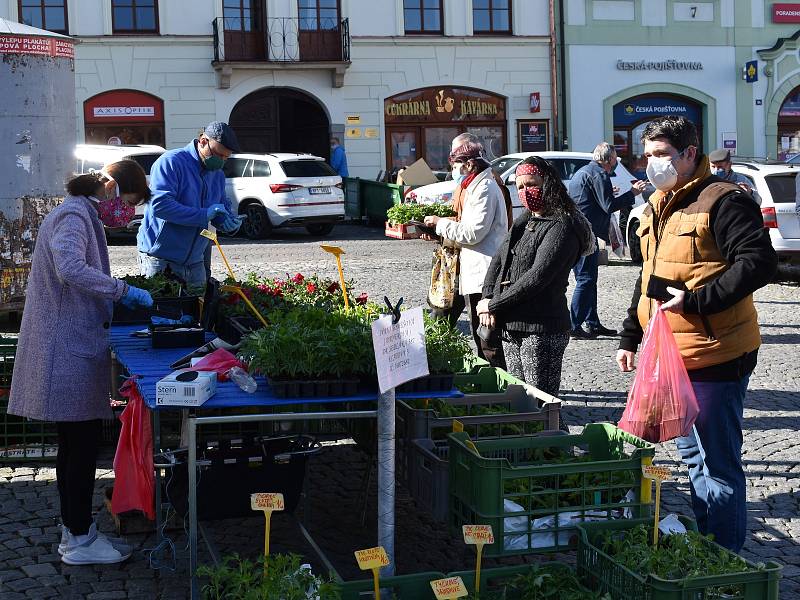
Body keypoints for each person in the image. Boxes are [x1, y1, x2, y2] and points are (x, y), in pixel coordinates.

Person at [616, 116, 777, 553]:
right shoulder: (658, 202)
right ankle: (706, 548)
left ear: (690, 153)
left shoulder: (723, 200)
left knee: (716, 463)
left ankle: (724, 559)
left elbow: (759, 263)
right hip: (669, 353)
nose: (653, 164)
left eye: (663, 155)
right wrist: (631, 334)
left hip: (716, 351)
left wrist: (695, 301)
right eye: (648, 156)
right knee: (692, 458)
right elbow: (650, 275)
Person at [8, 161, 156, 565]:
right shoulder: (74, 213)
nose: (124, 213)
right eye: (125, 203)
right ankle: (78, 540)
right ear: (109, 187)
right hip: (64, 347)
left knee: (74, 444)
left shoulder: (80, 212)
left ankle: (77, 530)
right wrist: (123, 291)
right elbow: (70, 267)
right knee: (81, 446)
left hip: (69, 342)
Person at [476, 157, 596, 396]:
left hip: (542, 328)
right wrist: (486, 298)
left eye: (531, 184)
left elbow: (537, 278)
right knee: (520, 402)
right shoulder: (526, 219)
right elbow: (499, 260)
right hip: (511, 325)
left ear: (548, 183)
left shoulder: (561, 226)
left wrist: (493, 304)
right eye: (520, 187)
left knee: (542, 403)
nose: (525, 191)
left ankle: (558, 434)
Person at [427, 133, 513, 368]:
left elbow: (473, 233)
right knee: (480, 335)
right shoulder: (473, 185)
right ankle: (491, 384)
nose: (453, 170)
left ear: (469, 164)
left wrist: (439, 223)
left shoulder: (485, 187)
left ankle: (501, 390)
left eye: (455, 165)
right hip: (473, 271)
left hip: (484, 272)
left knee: (488, 338)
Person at [137, 121, 243, 289]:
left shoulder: (218, 174)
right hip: (161, 259)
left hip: (196, 261)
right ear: (203, 141)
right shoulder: (171, 162)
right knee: (162, 313)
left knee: (198, 313)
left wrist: (227, 222)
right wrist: (204, 214)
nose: (221, 161)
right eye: (218, 154)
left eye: (225, 158)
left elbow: (220, 208)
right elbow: (160, 206)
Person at [568, 142, 647, 339]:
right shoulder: (600, 174)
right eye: (615, 158)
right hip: (587, 234)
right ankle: (574, 324)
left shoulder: (585, 171)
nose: (616, 161)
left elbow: (593, 199)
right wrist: (632, 194)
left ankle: (592, 323)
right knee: (586, 280)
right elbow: (608, 206)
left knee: (587, 280)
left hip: (578, 231)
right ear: (609, 159)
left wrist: (612, 193)